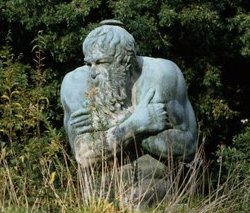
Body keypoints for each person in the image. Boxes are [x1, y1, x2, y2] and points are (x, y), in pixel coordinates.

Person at [61, 20, 197, 168]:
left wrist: (111, 127)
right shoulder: (76, 84)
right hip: (106, 187)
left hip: (161, 183)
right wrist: (135, 123)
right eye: (89, 64)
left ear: (126, 62)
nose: (92, 72)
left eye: (101, 62)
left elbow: (188, 148)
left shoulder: (161, 75)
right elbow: (84, 156)